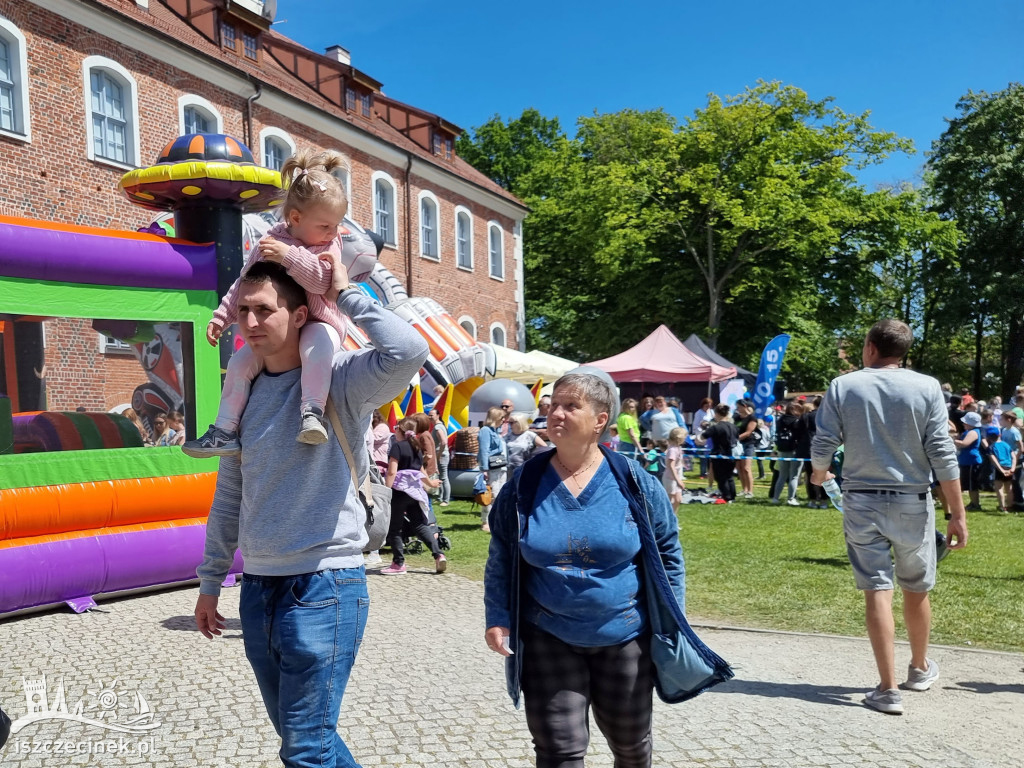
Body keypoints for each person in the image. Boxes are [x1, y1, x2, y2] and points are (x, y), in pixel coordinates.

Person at [194, 259, 428, 767]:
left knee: (304, 748)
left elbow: (409, 350)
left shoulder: (342, 380)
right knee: (307, 739)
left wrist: (345, 295)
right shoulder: (243, 391)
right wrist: (211, 580)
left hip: (326, 585)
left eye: (265, 311)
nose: (251, 323)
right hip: (258, 589)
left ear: (299, 316)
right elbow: (230, 493)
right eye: (244, 311)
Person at [483, 370, 732, 768]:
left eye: (571, 406)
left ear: (600, 419)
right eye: (554, 405)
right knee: (558, 750)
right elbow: (502, 556)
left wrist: (673, 618)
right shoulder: (524, 482)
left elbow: (668, 550)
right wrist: (497, 616)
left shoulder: (634, 480)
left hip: (625, 636)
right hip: (547, 634)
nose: (556, 413)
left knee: (631, 747)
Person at [810, 318, 968, 716]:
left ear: (870, 347)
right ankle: (917, 668)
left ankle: (887, 687)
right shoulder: (928, 386)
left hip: (861, 498)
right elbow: (942, 452)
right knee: (917, 587)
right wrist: (957, 514)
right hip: (913, 500)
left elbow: (825, 439)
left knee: (877, 588)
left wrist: (817, 472)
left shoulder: (844, 385)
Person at [184, 149, 357, 457]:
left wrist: (289, 257)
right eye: (326, 226)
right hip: (285, 328)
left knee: (315, 348)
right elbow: (245, 282)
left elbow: (322, 282)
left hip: (322, 321)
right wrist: (222, 316)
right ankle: (224, 430)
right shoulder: (270, 241)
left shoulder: (329, 244)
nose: (334, 232)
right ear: (295, 218)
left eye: (337, 224)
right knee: (239, 363)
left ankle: (312, 413)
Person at [382, 417, 446, 575]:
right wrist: (430, 484)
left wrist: (386, 492)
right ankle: (438, 554)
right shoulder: (416, 446)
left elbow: (392, 471)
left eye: (396, 427)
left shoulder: (397, 447)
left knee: (395, 528)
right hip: (415, 491)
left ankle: (398, 563)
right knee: (420, 525)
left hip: (399, 491)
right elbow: (420, 471)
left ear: (400, 430)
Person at [696, 404, 738, 502]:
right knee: (729, 476)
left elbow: (701, 438)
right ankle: (732, 496)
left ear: (716, 414)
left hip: (719, 453)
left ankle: (726, 496)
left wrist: (698, 439)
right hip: (732, 454)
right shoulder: (734, 427)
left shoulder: (715, 427)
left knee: (720, 477)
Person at [477, 406, 509, 533]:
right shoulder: (485, 431)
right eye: (501, 418)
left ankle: (496, 520)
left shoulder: (495, 431)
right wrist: (484, 469)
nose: (503, 421)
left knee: (498, 495)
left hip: (500, 466)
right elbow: (484, 450)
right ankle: (486, 521)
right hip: (491, 468)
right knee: (490, 495)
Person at [771, 401, 805, 506]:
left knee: (782, 475)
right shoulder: (797, 421)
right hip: (795, 450)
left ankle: (775, 498)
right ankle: (791, 498)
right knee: (794, 476)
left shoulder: (780, 420)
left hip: (782, 449)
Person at [954, 411, 984, 511]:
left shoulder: (973, 432)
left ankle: (976, 504)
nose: (963, 424)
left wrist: (951, 440)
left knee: (972, 485)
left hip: (972, 461)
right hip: (966, 461)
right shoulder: (968, 432)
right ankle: (972, 503)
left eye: (965, 422)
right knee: (969, 484)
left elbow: (964, 444)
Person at [733, 400, 758, 499]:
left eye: (739, 407)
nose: (737, 409)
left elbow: (748, 432)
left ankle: (750, 491)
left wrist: (735, 439)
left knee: (746, 468)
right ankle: (744, 489)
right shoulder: (736, 418)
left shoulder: (752, 418)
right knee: (739, 468)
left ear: (745, 406)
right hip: (738, 445)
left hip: (748, 444)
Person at [989, 429, 1016, 513]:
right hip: (1009, 466)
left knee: (999, 488)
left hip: (999, 468)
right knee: (1009, 488)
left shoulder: (991, 447)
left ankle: (1002, 506)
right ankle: (1010, 506)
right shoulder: (1006, 445)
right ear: (999, 435)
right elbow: (1014, 457)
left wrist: (1001, 470)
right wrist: (1013, 468)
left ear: (988, 437)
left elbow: (993, 459)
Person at [429, 408, 451, 506]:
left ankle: (446, 500)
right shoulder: (440, 426)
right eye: (429, 415)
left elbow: (443, 442)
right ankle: (440, 497)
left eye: (431, 415)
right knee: (441, 476)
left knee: (444, 477)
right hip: (442, 454)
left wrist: (438, 455)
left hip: (441, 455)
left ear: (438, 416)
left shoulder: (438, 427)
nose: (430, 417)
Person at [691, 397, 714, 479]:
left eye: (709, 405)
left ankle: (710, 472)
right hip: (702, 436)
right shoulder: (698, 413)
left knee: (709, 456)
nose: (708, 407)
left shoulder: (711, 412)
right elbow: (695, 425)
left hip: (710, 436)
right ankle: (703, 473)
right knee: (703, 456)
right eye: (706, 405)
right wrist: (702, 431)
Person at [663, 426, 687, 506]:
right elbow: (671, 466)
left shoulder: (678, 448)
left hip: (677, 477)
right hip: (670, 478)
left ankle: (673, 517)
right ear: (679, 438)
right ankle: (668, 517)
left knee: (678, 499)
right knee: (671, 500)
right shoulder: (672, 450)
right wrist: (678, 480)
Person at [370, 408, 392, 473]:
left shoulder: (383, 427)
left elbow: (374, 439)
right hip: (372, 462)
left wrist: (369, 427)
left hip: (379, 463)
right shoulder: (374, 427)